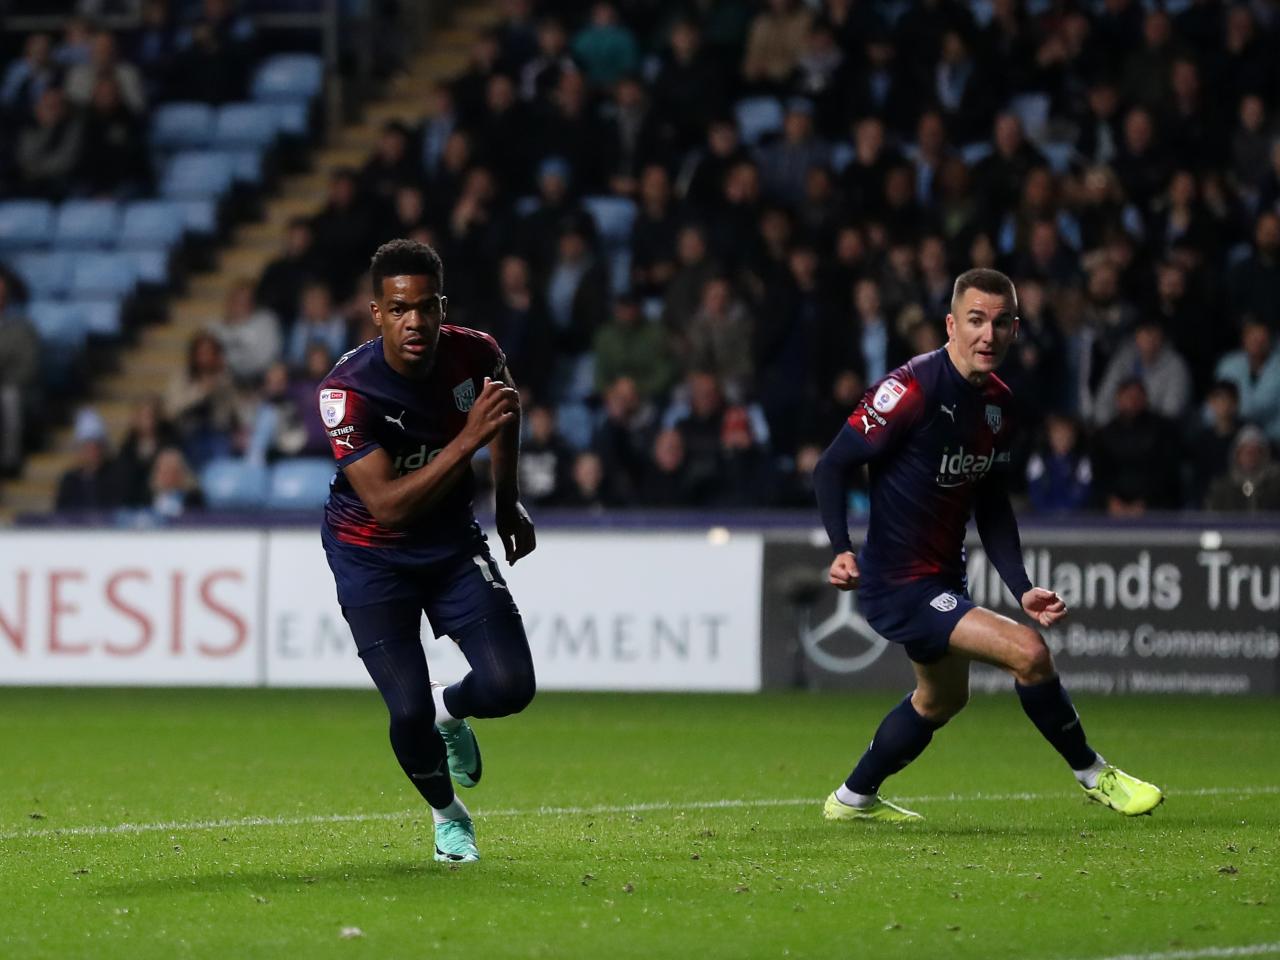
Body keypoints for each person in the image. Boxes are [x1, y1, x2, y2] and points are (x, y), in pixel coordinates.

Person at [812, 268, 1162, 824]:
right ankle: (1095, 775)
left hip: (943, 577)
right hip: (898, 583)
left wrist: (1020, 587)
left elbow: (992, 504)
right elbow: (832, 465)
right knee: (1029, 653)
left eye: (1001, 323)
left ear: (1015, 330)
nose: (988, 335)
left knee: (941, 700)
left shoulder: (999, 403)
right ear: (951, 324)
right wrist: (841, 546)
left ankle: (853, 798)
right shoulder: (910, 389)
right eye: (975, 320)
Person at [317, 240, 536, 865]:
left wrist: (507, 501)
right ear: (377, 313)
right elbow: (386, 505)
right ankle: (449, 817)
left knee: (510, 685)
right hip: (370, 554)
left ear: (442, 308)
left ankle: (452, 708)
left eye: (426, 307)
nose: (415, 321)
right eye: (399, 308)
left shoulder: (478, 353)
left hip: (448, 543)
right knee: (404, 709)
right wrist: (466, 441)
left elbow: (506, 411)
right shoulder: (347, 392)